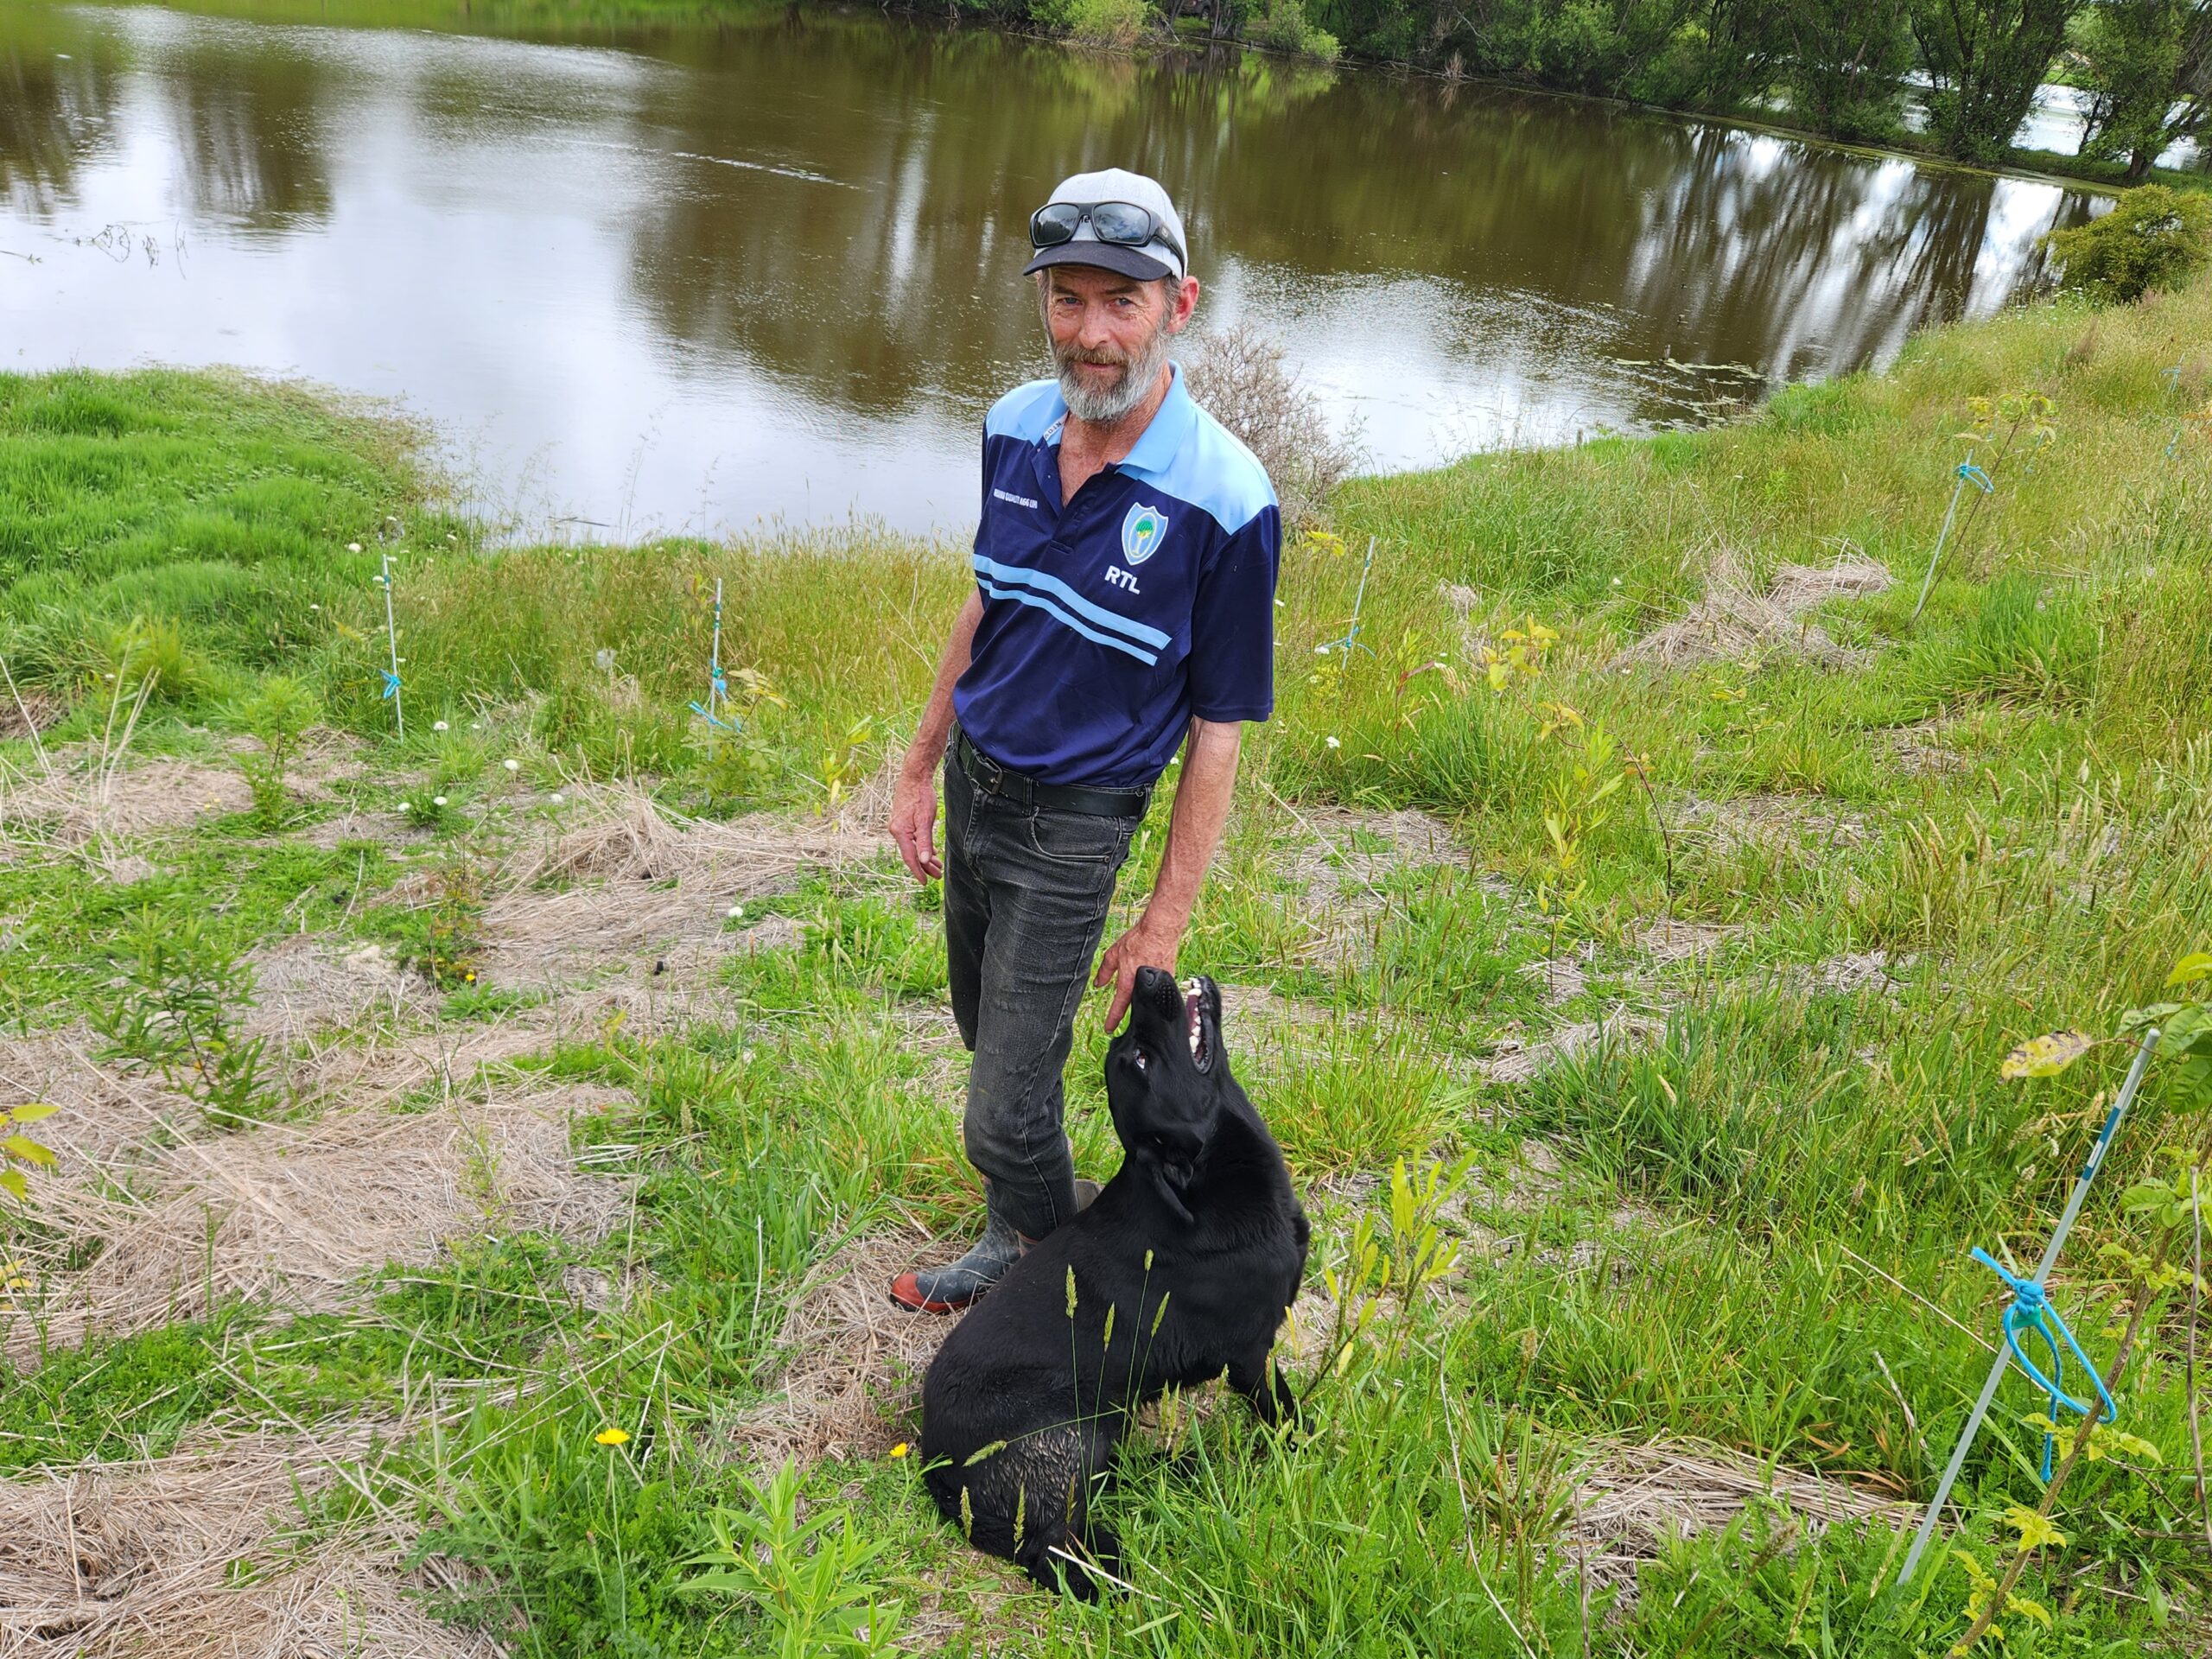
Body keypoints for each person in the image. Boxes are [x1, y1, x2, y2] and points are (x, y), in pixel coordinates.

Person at [886, 167, 1281, 1313]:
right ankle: (1017, 1232)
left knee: (1002, 1113)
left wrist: (1163, 921)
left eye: (1123, 301)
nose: (1092, 333)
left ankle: (1063, 1289)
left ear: (1179, 306)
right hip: (977, 789)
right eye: (1068, 299)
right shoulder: (1012, 426)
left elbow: (1218, 732)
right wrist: (919, 764)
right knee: (990, 1035)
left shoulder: (1228, 498)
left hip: (1074, 828)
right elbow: (987, 600)